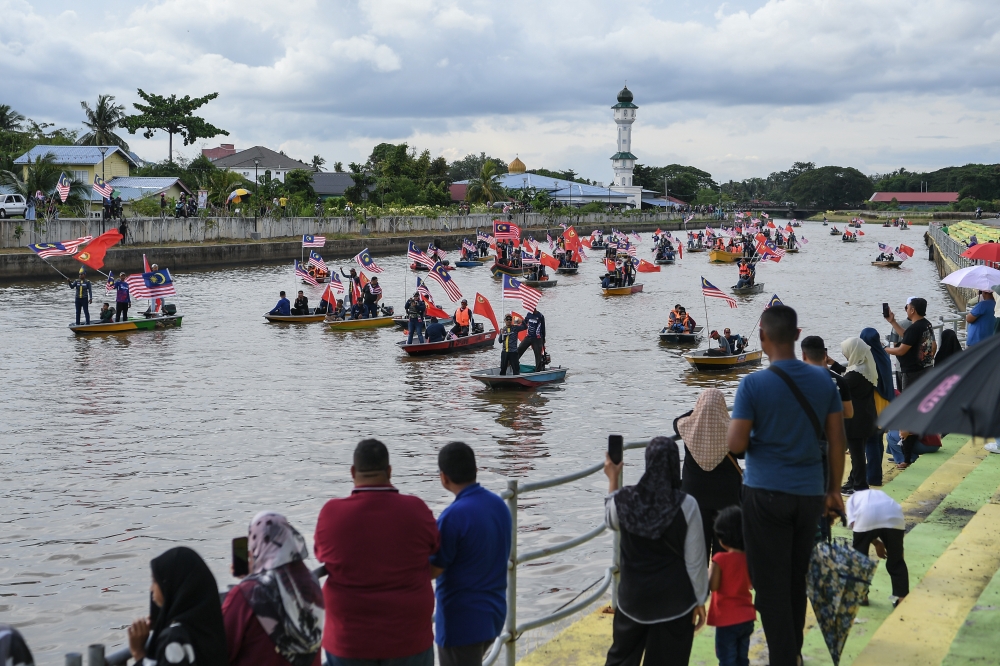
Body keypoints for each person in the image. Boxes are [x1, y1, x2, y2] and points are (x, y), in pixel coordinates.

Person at [728, 305, 846, 666]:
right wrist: (834, 490)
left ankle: (784, 658)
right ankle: (792, 653)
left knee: (769, 586)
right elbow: (837, 439)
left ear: (762, 337)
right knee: (796, 580)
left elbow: (735, 445)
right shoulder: (823, 380)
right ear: (797, 336)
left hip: (765, 494)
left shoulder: (753, 384)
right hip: (810, 494)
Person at [314, 439, 439, 666]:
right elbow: (437, 550)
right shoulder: (416, 510)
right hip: (408, 638)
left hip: (348, 640)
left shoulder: (331, 514)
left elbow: (322, 555)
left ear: (352, 472)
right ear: (389, 471)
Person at [603, 437, 708, 666]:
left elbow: (610, 520)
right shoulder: (687, 505)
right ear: (674, 465)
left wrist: (613, 478)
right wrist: (700, 599)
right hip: (675, 604)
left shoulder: (624, 500)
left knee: (621, 658)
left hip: (633, 601)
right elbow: (696, 561)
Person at [430, 443, 511, 666]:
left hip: (461, 623)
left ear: (443, 478)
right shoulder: (498, 505)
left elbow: (434, 568)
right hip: (493, 615)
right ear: (476, 470)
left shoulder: (452, 517)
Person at [222, 512, 324, 666]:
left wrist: (250, 582)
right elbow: (281, 590)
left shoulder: (245, 595)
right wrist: (253, 576)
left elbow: (220, 647)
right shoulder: (312, 584)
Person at [126, 547, 228, 666]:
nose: (151, 589)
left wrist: (138, 653)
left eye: (155, 581)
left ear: (172, 586)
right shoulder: (207, 625)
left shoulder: (173, 637)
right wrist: (161, 621)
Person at [674, 388, 742, 559]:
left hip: (695, 497)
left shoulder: (689, 429)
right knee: (724, 553)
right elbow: (744, 452)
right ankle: (723, 585)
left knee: (697, 553)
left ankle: (700, 586)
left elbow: (677, 421)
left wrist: (696, 412)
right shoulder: (733, 431)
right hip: (727, 498)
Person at [707, 507, 755, 666]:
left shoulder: (720, 559)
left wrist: (710, 572)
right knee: (742, 659)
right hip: (747, 617)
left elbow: (713, 586)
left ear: (723, 538)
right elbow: (750, 584)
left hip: (727, 620)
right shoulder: (748, 559)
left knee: (727, 660)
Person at [847, 490, 909, 606]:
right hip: (894, 514)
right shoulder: (884, 497)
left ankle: (862, 595)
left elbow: (856, 527)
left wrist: (875, 542)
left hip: (866, 514)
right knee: (896, 561)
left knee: (859, 559)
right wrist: (895, 553)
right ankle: (902, 598)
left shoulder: (851, 500)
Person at [838, 337, 879, 494]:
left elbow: (842, 383)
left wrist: (823, 370)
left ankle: (860, 485)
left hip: (856, 420)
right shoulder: (865, 368)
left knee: (857, 454)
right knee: (858, 452)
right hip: (865, 416)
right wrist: (834, 364)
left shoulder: (856, 374)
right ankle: (853, 481)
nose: (847, 357)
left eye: (847, 353)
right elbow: (846, 377)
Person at [860, 327, 896, 487]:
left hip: (873, 404)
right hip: (885, 402)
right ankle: (875, 473)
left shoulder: (869, 358)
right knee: (877, 440)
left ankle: (873, 477)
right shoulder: (882, 354)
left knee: (871, 441)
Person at [885, 297, 936, 389]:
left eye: (907, 308)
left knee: (910, 399)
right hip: (927, 368)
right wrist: (892, 322)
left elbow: (901, 351)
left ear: (912, 310)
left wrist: (885, 349)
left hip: (913, 373)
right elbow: (908, 336)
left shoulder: (915, 328)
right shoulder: (926, 324)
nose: (906, 310)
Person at [515, 308, 545, 372]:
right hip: (528, 337)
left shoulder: (540, 316)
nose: (531, 310)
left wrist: (543, 339)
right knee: (519, 349)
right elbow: (525, 323)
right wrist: (517, 322)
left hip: (537, 338)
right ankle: (514, 364)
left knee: (538, 355)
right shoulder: (529, 314)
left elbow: (543, 328)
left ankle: (538, 370)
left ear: (535, 308)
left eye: (533, 309)